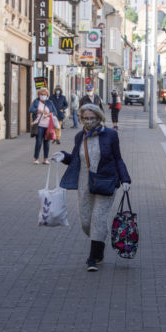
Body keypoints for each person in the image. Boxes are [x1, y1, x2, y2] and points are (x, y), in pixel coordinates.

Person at [51, 104, 131, 272]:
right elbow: (75, 158)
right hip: (84, 182)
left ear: (99, 117)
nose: (89, 121)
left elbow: (118, 159)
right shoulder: (80, 136)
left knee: (98, 219)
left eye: (92, 118)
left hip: (106, 181)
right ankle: (99, 242)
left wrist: (125, 178)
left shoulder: (111, 135)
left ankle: (93, 258)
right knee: (86, 221)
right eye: (85, 118)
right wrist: (63, 156)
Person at [29, 87, 58, 164]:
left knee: (47, 143)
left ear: (47, 95)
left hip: (48, 126)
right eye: (41, 94)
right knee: (38, 142)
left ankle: (45, 159)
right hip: (39, 125)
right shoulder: (36, 102)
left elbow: (55, 112)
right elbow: (30, 109)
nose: (43, 96)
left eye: (44, 94)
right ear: (39, 95)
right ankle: (36, 158)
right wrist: (39, 111)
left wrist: (48, 114)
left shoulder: (50, 102)